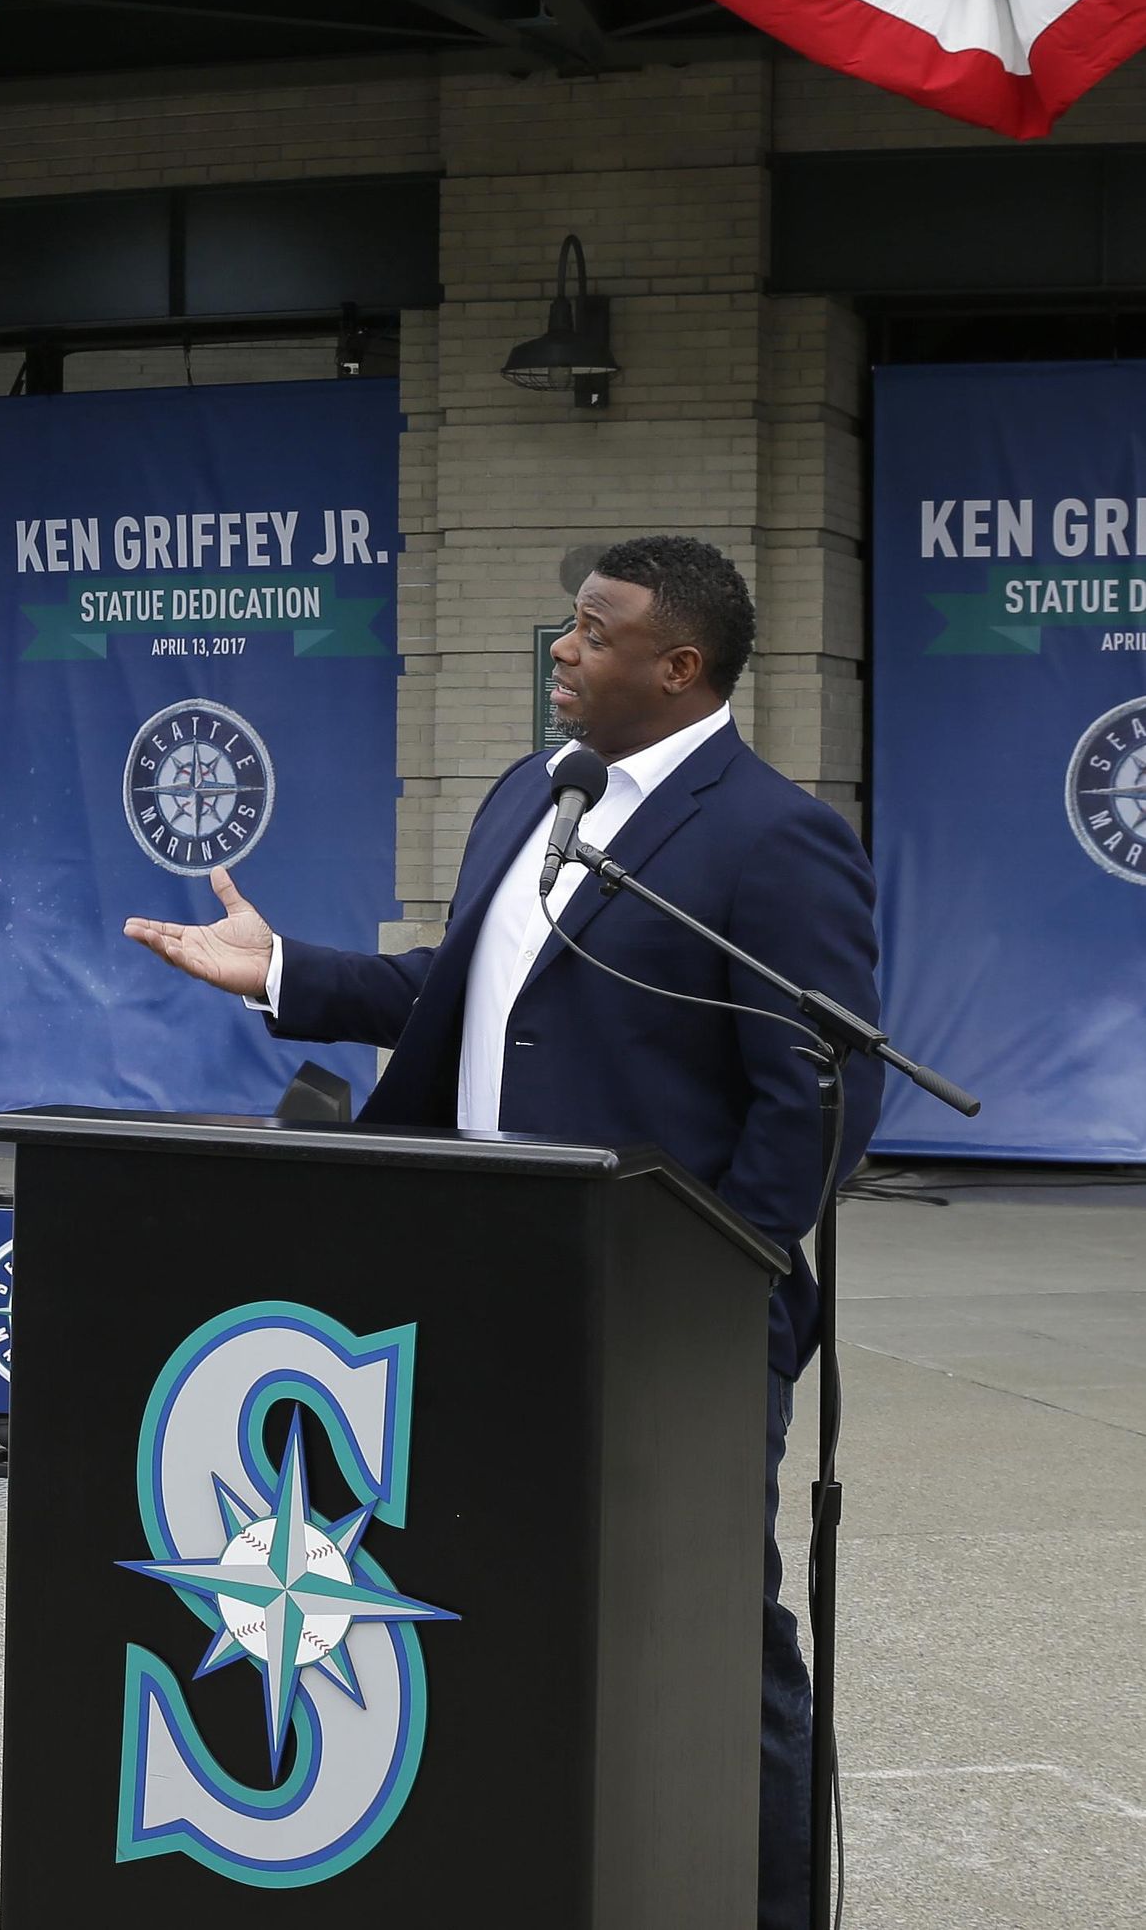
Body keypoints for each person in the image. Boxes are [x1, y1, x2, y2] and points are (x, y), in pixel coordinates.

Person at [125, 534, 881, 1930]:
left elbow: (824, 1095)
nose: (563, 651)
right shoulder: (536, 796)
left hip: (670, 1323)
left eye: (594, 632)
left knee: (715, 1645)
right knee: (488, 1602)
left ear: (681, 665)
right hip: (478, 1287)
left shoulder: (775, 836)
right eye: (566, 627)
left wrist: (720, 1278)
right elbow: (458, 992)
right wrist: (280, 970)